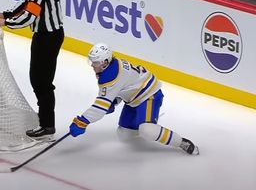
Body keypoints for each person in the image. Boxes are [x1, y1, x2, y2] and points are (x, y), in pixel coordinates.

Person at [69, 43, 199, 155]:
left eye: (95, 62)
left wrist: (82, 121)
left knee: (147, 130)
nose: (92, 65)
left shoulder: (109, 75)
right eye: (92, 61)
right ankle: (147, 123)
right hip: (134, 99)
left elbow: (99, 108)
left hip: (149, 96)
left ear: (105, 62)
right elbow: (123, 86)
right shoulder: (112, 66)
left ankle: (182, 142)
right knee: (124, 134)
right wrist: (114, 100)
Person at [0, 0, 64, 139]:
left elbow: (30, 16)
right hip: (44, 36)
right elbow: (27, 4)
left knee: (42, 82)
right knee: (38, 80)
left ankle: (47, 125)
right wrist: (6, 14)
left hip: (48, 37)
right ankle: (45, 121)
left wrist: (6, 22)